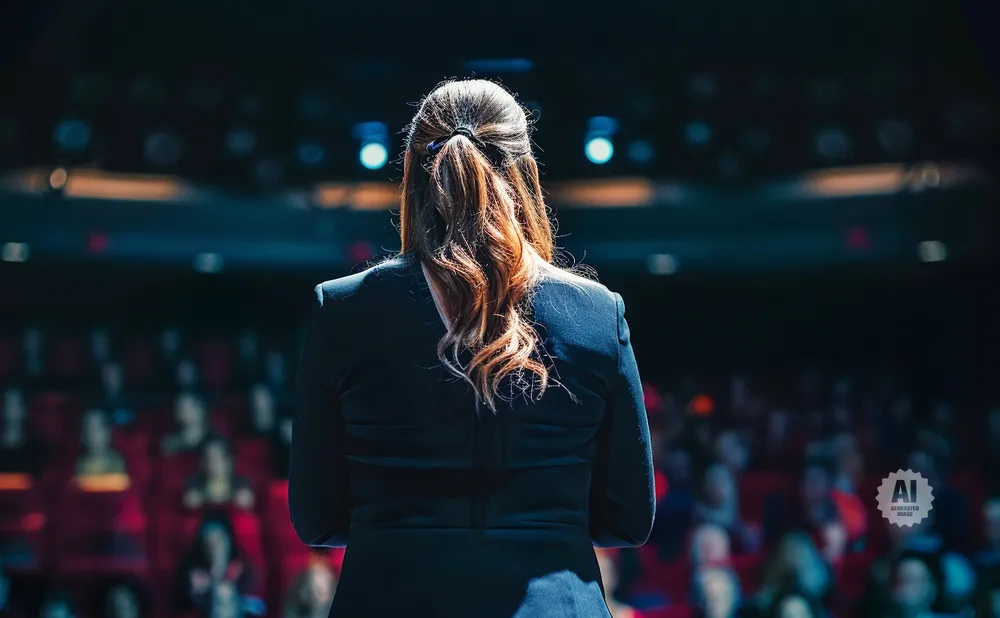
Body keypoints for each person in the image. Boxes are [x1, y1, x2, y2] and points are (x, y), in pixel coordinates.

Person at [290, 79, 655, 618]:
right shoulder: (599, 314)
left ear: (413, 178)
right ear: (526, 174)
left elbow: (317, 518)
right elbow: (628, 517)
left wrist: (398, 530)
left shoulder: (341, 310)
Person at [175, 516, 253, 613]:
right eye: (209, 542)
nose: (215, 547)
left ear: (229, 541)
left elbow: (258, 605)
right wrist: (195, 593)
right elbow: (180, 604)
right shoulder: (194, 576)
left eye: (219, 539)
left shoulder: (243, 570)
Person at [183, 437, 254, 510]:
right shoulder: (193, 484)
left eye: (217, 459)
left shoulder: (242, 484)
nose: (212, 464)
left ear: (228, 461)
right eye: (208, 459)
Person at [75, 408, 127, 477]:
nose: (95, 433)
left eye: (100, 427)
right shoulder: (80, 465)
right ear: (83, 436)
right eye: (90, 429)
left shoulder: (118, 461)